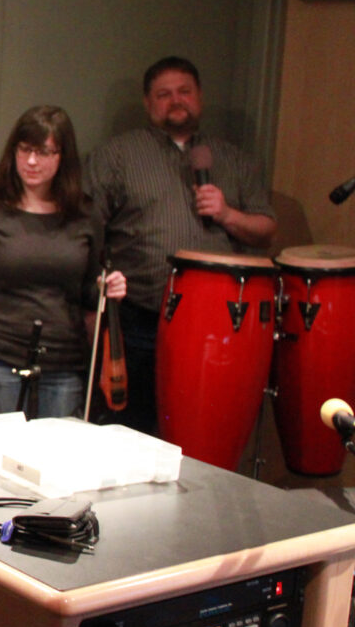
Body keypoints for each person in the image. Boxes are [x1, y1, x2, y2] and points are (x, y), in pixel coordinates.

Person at [84, 56, 277, 435]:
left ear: (200, 97)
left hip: (218, 326)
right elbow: (85, 229)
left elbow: (266, 229)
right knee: (131, 433)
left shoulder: (234, 160)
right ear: (148, 103)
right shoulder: (118, 155)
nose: (176, 101)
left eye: (184, 91)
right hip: (140, 318)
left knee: (199, 433)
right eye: (164, 94)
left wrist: (226, 214)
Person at [0, 105, 126, 419]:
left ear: (62, 157)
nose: (30, 161)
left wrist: (108, 289)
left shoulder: (85, 214)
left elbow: (86, 293)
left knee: (56, 463)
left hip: (64, 363)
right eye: (24, 149)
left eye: (43, 152)